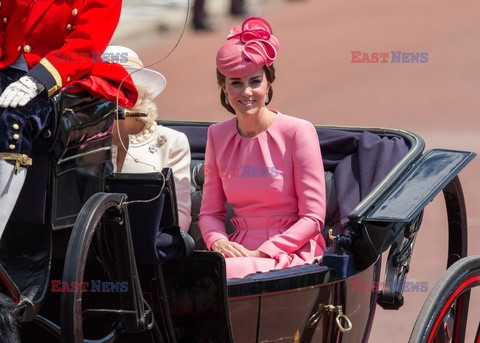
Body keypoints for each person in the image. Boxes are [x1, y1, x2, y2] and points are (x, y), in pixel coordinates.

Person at [198, 17, 326, 279]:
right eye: (236, 82)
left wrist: (265, 252)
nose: (246, 92)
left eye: (255, 81)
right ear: (223, 87)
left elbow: (313, 218)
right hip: (237, 249)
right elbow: (210, 212)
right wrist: (217, 242)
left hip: (292, 248)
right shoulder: (216, 135)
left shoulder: (298, 131)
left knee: (226, 273)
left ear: (268, 83)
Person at [0, 0, 124, 241]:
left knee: (12, 121)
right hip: (6, 69)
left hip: (55, 79)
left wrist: (37, 81)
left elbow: (85, 45)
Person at [104, 46, 192, 234]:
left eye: (123, 87)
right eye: (105, 86)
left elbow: (180, 213)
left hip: (147, 244)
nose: (114, 95)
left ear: (140, 91)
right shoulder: (82, 140)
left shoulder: (171, 141)